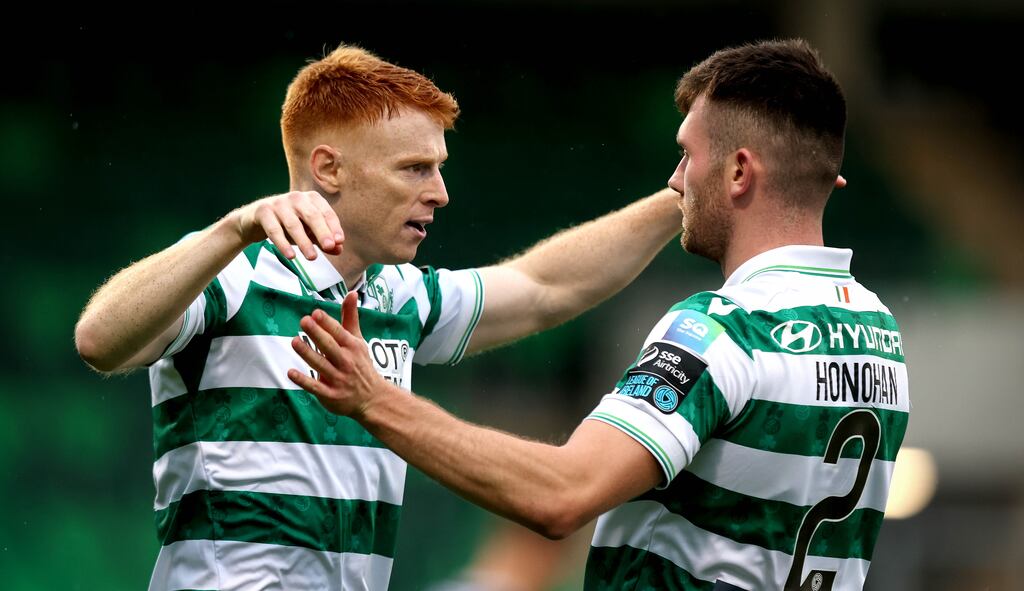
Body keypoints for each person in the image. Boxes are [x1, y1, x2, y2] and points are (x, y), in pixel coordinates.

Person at [291, 38, 906, 590]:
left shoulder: (723, 329)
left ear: (740, 171)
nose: (675, 179)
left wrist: (375, 400)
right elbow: (541, 286)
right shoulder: (880, 334)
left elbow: (562, 493)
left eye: (687, 158)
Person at [73, 44, 683, 590]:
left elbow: (545, 286)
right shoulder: (233, 274)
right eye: (416, 168)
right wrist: (232, 229)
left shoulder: (399, 296)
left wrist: (682, 196)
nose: (440, 191)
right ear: (328, 168)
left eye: (438, 167)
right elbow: (99, 339)